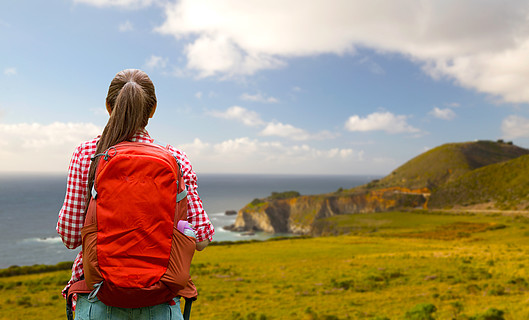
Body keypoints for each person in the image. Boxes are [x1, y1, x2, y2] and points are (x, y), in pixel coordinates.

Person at [57, 69, 214, 319]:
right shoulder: (175, 158)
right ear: (152, 110)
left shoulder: (87, 153)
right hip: (160, 298)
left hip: (97, 295)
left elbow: (70, 235)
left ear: (109, 107)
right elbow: (202, 238)